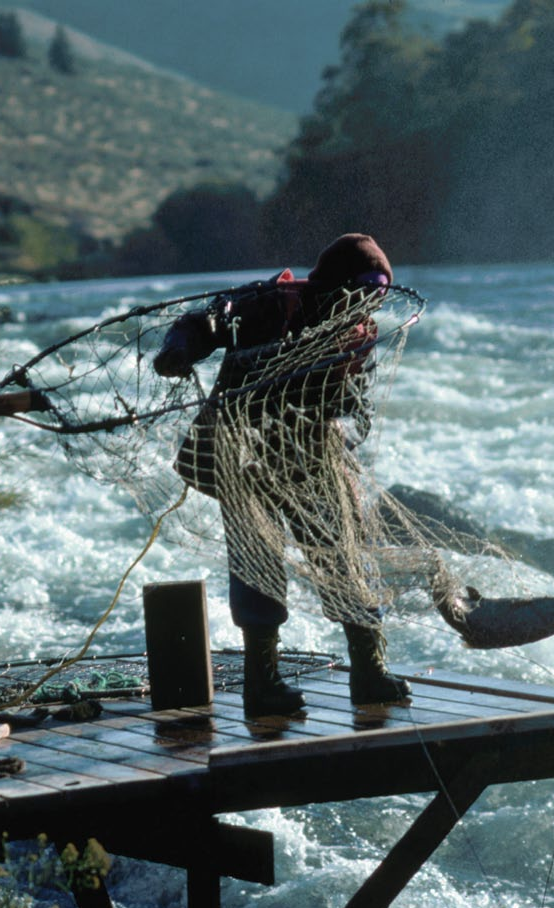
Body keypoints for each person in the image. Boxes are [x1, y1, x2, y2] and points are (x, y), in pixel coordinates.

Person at [154, 232, 412, 716]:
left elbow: (357, 412)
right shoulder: (266, 303)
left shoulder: (359, 334)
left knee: (343, 559)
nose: (364, 307)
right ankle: (263, 684)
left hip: (313, 460)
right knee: (258, 567)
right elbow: (200, 323)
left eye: (374, 298)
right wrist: (178, 350)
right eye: (358, 295)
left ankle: (370, 674)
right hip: (243, 456)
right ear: (331, 286)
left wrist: (338, 432)